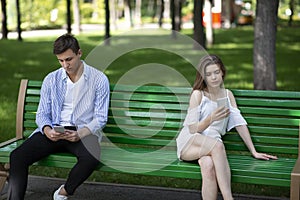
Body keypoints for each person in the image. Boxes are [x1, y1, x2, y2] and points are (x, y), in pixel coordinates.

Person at [7, 34, 110, 200]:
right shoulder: (51, 79)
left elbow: (100, 117)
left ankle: (64, 191)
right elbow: (42, 114)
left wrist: (80, 134)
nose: (65, 65)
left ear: (79, 53)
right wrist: (47, 130)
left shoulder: (98, 80)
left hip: (82, 133)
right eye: (61, 61)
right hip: (55, 130)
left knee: (92, 156)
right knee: (17, 157)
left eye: (69, 59)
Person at [176, 54, 277, 200]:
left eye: (217, 72)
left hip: (211, 147)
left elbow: (239, 123)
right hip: (190, 143)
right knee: (217, 146)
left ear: (222, 71)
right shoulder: (198, 95)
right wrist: (210, 119)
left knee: (208, 166)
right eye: (209, 74)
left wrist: (253, 151)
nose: (214, 77)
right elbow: (192, 129)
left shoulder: (228, 95)